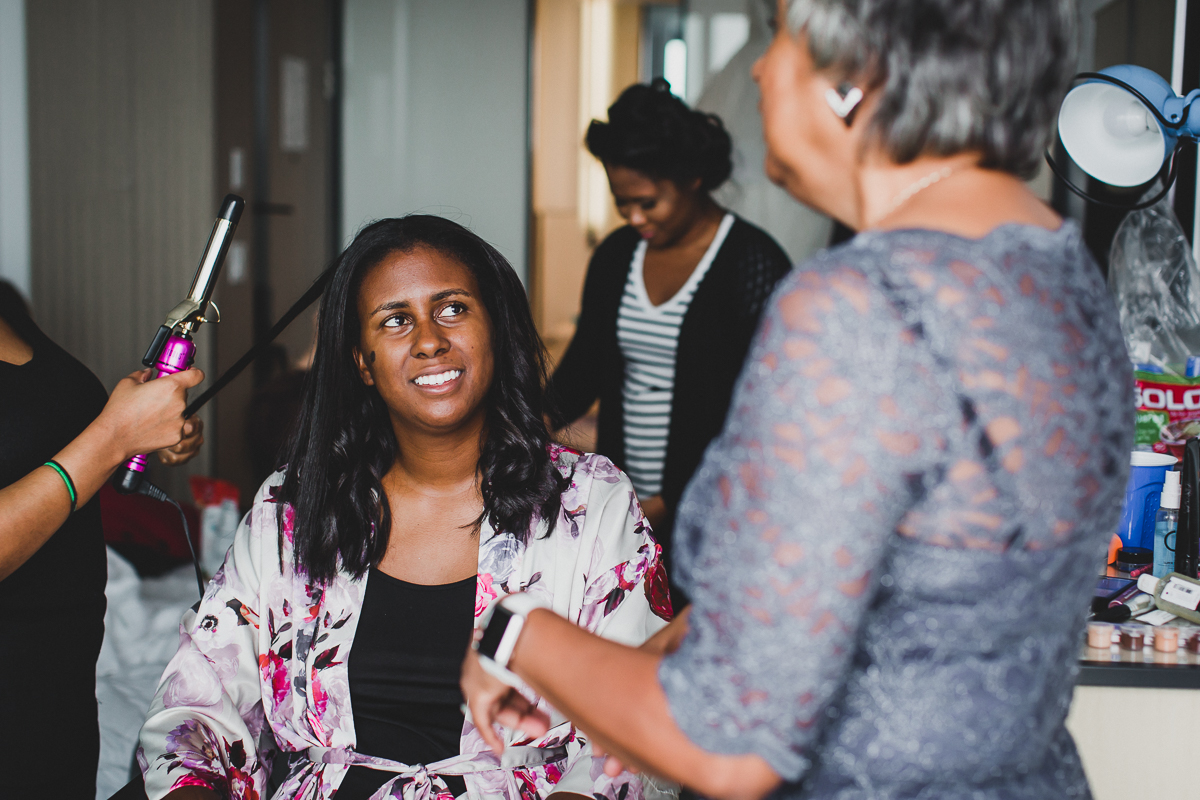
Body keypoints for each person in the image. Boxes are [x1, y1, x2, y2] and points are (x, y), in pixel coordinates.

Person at [462, 1, 1132, 799]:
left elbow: (730, 745)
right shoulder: (1058, 269)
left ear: (855, 76)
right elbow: (901, 588)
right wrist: (641, 664)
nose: (758, 66)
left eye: (780, 31)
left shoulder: (857, 307)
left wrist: (516, 633)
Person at [136, 216, 674, 800]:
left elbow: (638, 720)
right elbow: (195, 712)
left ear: (495, 328)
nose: (428, 340)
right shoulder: (291, 508)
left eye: (452, 309)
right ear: (362, 362)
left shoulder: (591, 502)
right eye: (396, 320)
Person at [546, 80, 792, 586]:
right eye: (622, 204)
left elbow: (762, 416)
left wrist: (673, 500)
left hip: (712, 505)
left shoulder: (752, 264)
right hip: (626, 498)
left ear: (694, 178)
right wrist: (519, 422)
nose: (635, 218)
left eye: (648, 202)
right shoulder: (618, 256)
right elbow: (584, 368)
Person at [0, 280, 203, 799]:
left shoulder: (7, 309)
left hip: (56, 700)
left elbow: (36, 444)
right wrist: (112, 437)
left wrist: (141, 431)